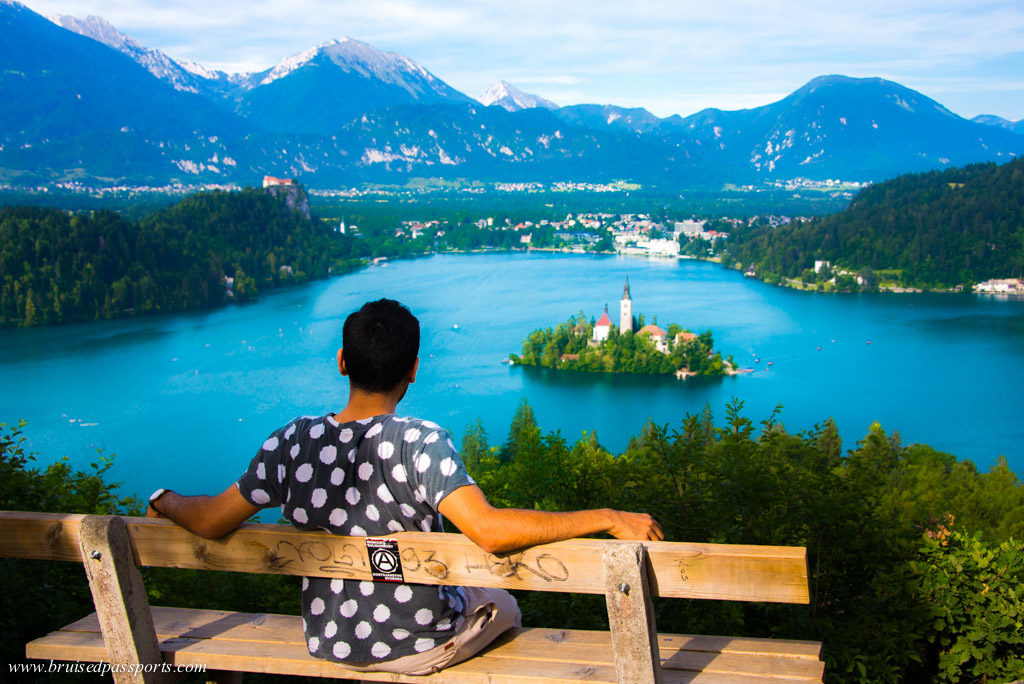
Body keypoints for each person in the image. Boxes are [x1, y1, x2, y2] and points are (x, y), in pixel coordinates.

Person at [147, 298, 663, 675]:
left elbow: (211, 519)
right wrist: (606, 517)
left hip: (330, 641)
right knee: (503, 604)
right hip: (417, 646)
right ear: (413, 370)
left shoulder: (293, 441)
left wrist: (165, 501)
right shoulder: (420, 441)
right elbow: (490, 531)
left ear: (343, 363)